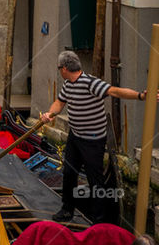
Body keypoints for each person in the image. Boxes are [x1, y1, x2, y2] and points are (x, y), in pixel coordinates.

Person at [40, 50, 157, 223]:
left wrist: (141, 96)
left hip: (93, 140)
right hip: (75, 136)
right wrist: (50, 113)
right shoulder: (68, 84)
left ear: (64, 68)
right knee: (69, 173)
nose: (59, 71)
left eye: (59, 68)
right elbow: (59, 102)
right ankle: (67, 210)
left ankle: (99, 219)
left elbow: (115, 91)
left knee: (95, 179)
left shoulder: (90, 83)